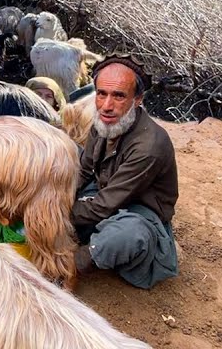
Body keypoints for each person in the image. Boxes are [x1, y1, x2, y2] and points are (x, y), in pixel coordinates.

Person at [71, 55, 179, 290]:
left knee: (125, 235)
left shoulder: (150, 145)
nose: (106, 106)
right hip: (106, 194)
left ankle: (72, 263)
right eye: (101, 94)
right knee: (66, 157)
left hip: (138, 213)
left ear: (137, 99)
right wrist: (59, 196)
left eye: (119, 95)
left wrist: (56, 213)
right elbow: (84, 170)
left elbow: (103, 206)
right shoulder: (104, 123)